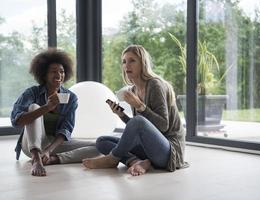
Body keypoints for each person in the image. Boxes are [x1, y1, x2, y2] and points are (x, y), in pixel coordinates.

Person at [82, 45, 189, 176]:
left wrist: (139, 106)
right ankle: (137, 161)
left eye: (132, 60)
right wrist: (122, 116)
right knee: (102, 141)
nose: (127, 65)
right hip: (149, 149)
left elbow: (163, 126)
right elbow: (138, 129)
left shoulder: (155, 85)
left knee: (137, 121)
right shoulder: (133, 90)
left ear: (143, 63)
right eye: (124, 61)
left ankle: (112, 159)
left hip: (169, 151)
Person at [11, 48, 99, 176]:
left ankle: (53, 159)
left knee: (99, 146)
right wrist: (46, 107)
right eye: (53, 71)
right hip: (30, 144)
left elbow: (66, 129)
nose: (59, 75)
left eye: (62, 71)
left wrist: (48, 150)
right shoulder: (32, 93)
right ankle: (36, 159)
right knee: (34, 107)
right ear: (44, 75)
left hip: (53, 144)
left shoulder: (71, 97)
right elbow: (16, 121)